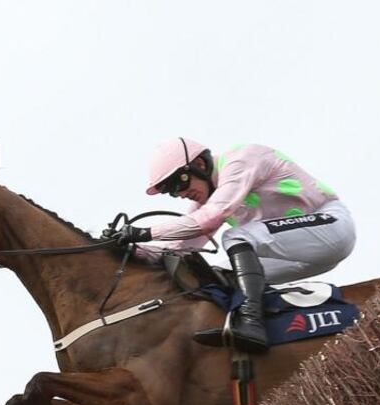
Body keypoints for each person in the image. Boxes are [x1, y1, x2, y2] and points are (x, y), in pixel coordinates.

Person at [110, 137, 356, 353]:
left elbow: (213, 215)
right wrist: (129, 249)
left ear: (199, 165)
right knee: (221, 275)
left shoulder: (240, 160)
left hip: (332, 225)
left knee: (235, 238)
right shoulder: (210, 198)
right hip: (302, 252)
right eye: (172, 192)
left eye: (179, 183)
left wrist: (144, 232)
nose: (180, 194)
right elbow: (180, 246)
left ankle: (252, 322)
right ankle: (261, 327)